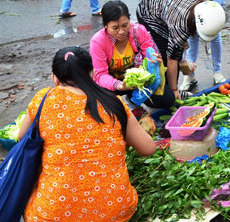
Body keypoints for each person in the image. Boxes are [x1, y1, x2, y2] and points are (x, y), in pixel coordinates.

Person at [18, 46, 156, 221]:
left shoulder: (42, 100)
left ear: (54, 78)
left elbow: (22, 139)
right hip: (114, 211)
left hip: (53, 215)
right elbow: (148, 149)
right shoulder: (113, 103)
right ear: (92, 73)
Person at [136, 0, 225, 100]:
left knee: (177, 48)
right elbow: (171, 59)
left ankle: (169, 90)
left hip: (169, 6)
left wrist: (181, 45)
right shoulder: (180, 24)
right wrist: (174, 89)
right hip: (148, 12)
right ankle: (167, 93)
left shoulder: (209, 4)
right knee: (165, 54)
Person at [90, 0, 175, 108]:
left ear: (129, 20)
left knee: (167, 99)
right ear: (106, 26)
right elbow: (100, 75)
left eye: (125, 25)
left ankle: (132, 98)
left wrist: (153, 59)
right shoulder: (98, 42)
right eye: (115, 28)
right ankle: (125, 100)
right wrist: (120, 85)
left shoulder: (139, 31)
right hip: (114, 84)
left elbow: (149, 52)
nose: (121, 31)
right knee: (105, 106)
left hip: (139, 81)